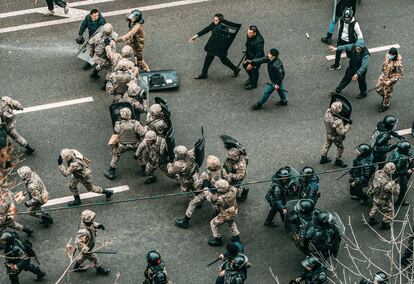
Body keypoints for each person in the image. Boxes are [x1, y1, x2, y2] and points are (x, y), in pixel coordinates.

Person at [175, 155, 225, 229]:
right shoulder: (221, 170)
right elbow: (227, 178)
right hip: (218, 191)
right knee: (215, 202)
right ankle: (217, 212)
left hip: (206, 192)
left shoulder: (206, 174)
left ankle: (185, 221)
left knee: (192, 203)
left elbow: (197, 185)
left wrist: (195, 176)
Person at [189, 13, 241, 79]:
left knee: (224, 60)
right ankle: (204, 74)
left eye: (216, 20)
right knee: (208, 59)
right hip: (213, 46)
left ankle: (236, 69)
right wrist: (195, 36)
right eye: (214, 20)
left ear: (220, 21)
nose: (214, 21)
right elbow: (206, 29)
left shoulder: (225, 29)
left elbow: (226, 41)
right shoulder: (214, 24)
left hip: (220, 48)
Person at [105, 108, 147, 180]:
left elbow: (116, 131)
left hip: (122, 145)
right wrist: (145, 127)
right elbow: (142, 133)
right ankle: (144, 170)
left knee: (115, 155)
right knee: (140, 155)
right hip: (134, 144)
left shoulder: (118, 124)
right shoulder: (135, 124)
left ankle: (111, 171)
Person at [73, 210, 110, 275]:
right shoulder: (83, 231)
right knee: (94, 258)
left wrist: (98, 225)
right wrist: (86, 249)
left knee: (83, 257)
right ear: (88, 220)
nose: (93, 220)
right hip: (86, 248)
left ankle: (76, 267)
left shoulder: (86, 223)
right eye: (92, 219)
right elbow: (79, 242)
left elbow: (92, 224)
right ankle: (99, 269)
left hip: (89, 245)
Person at [206, 179, 240, 246]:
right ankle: (236, 237)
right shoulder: (233, 190)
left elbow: (210, 198)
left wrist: (206, 190)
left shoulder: (220, 198)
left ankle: (218, 240)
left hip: (225, 214)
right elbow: (233, 188)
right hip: (234, 210)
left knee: (213, 224)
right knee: (231, 222)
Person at [367, 162, 400, 230]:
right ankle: (385, 224)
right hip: (384, 200)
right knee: (389, 211)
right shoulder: (389, 183)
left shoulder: (378, 173)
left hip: (375, 196)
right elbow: (396, 193)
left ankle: (371, 220)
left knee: (375, 207)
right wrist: (396, 184)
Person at [320, 101, 351, 167]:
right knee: (340, 148)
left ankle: (323, 157)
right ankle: (338, 160)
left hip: (328, 132)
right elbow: (342, 132)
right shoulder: (338, 121)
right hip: (335, 136)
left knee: (327, 144)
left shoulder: (328, 112)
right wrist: (348, 125)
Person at [375, 48, 403, 112]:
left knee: (387, 92)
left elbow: (398, 75)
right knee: (378, 88)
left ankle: (385, 105)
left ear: (395, 55)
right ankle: (385, 97)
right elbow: (385, 63)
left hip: (390, 79)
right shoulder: (387, 55)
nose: (389, 55)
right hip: (384, 75)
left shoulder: (398, 64)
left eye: (391, 54)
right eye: (389, 53)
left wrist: (389, 81)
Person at [388, 141, 413, 207]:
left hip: (402, 169)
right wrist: (406, 171)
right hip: (398, 175)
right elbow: (395, 171)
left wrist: (409, 159)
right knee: (403, 188)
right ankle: (400, 201)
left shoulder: (397, 150)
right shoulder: (399, 160)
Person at [243, 25, 265, 90]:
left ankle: (253, 84)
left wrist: (252, 63)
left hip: (256, 58)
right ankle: (251, 78)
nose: (248, 34)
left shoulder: (259, 41)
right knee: (245, 66)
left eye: (250, 33)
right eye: (248, 32)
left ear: (254, 33)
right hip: (250, 54)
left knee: (253, 70)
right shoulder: (250, 35)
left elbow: (259, 54)